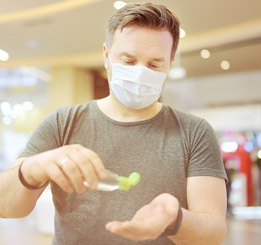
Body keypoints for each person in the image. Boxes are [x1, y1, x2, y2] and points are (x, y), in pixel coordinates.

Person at [0, 3, 228, 244]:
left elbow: (213, 233)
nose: (140, 73)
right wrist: (33, 168)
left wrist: (175, 219)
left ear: (170, 64)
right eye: (128, 61)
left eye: (153, 65)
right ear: (107, 55)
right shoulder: (62, 123)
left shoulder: (194, 132)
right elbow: (6, 208)